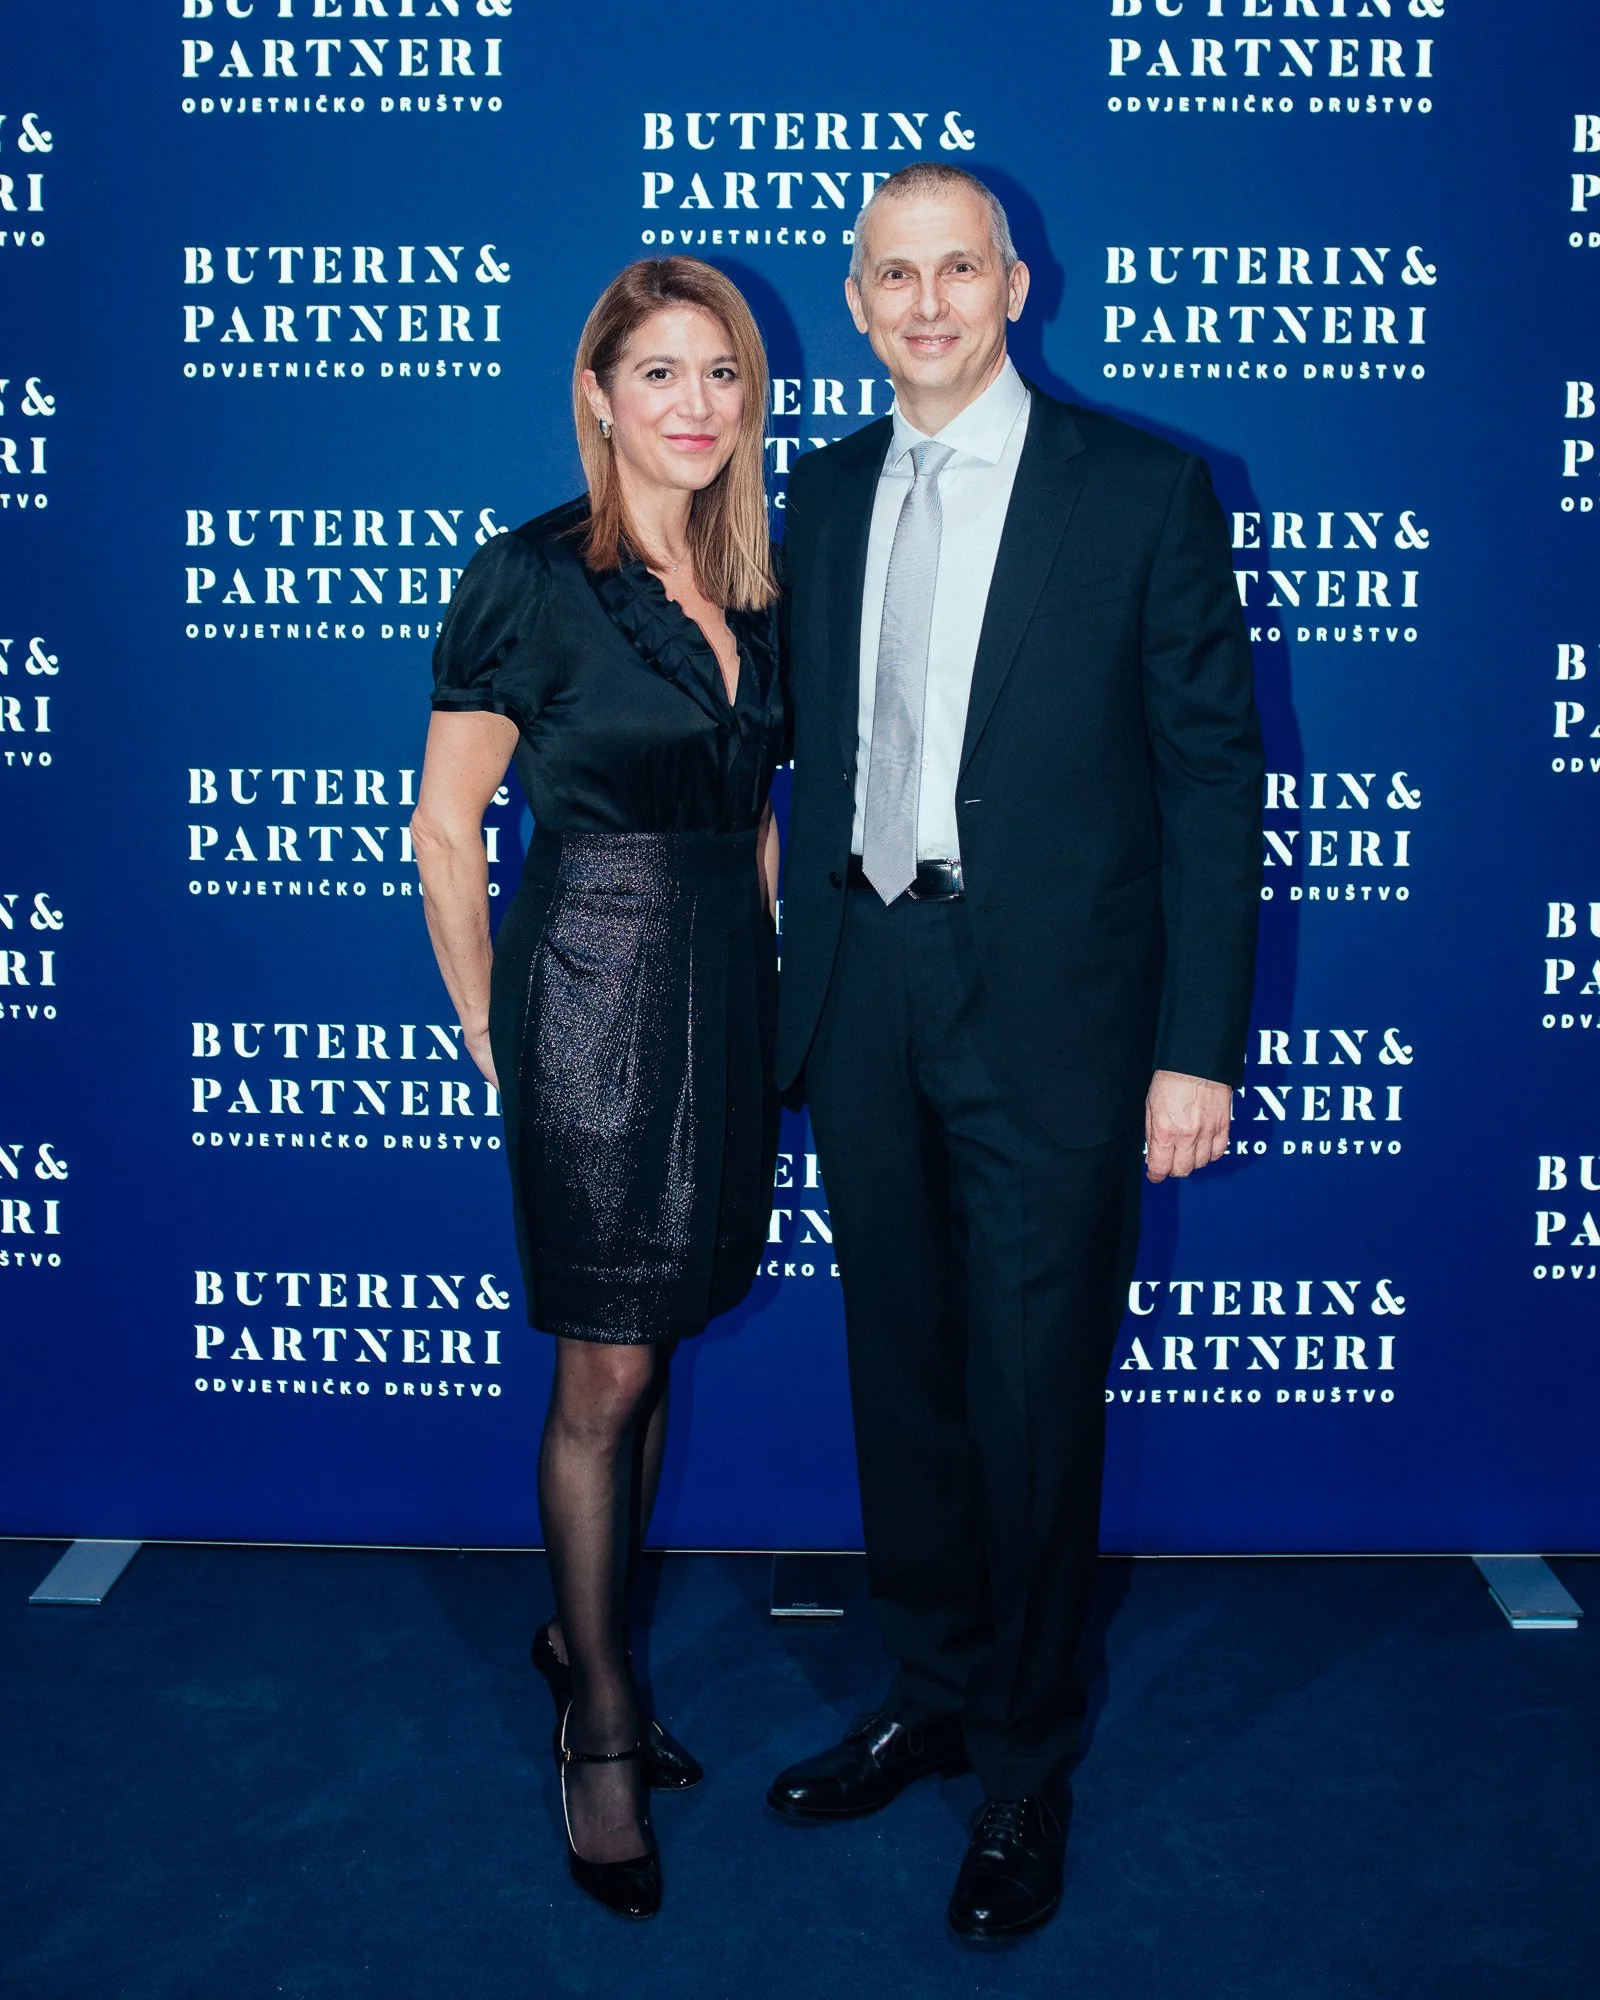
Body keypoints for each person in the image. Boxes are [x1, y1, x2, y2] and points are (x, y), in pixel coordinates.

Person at [768, 165, 1264, 1942]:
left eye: (954, 270)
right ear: (855, 295)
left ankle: (1026, 1766)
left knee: (1035, 1398)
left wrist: (1194, 1049)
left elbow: (1215, 783)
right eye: (891, 274)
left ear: (1017, 283)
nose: (924, 303)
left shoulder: (1139, 491)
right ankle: (928, 1688)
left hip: (1057, 1010)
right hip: (859, 987)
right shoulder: (817, 493)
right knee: (900, 1374)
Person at [411, 259, 784, 1922]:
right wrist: (491, 1020)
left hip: (722, 985)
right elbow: (444, 823)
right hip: (589, 981)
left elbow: (763, 814)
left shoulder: (760, 585)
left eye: (721, 373)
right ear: (600, 395)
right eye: (661, 373)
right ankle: (604, 1727)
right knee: (604, 1367)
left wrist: (777, 964)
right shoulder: (528, 579)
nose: (694, 404)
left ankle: (584, 1630)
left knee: (659, 1341)